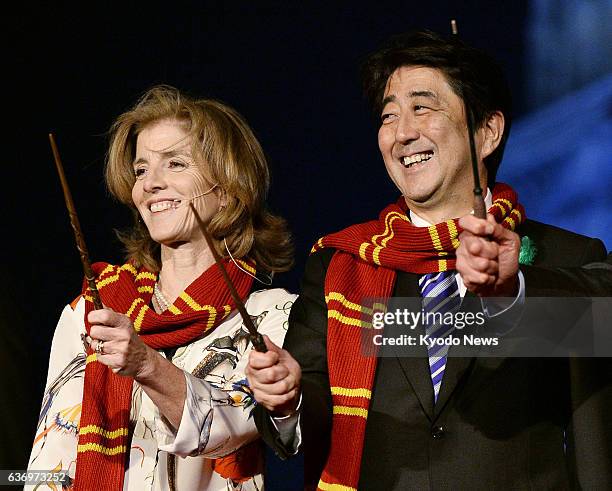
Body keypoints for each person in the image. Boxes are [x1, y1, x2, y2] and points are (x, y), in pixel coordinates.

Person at [246, 31, 612, 489]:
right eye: (388, 115)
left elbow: (601, 327)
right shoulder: (344, 265)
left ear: (487, 131)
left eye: (423, 108)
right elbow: (312, 398)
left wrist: (510, 294)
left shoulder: (569, 256)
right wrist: (287, 400)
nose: (402, 133)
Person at [27, 85, 296, 490]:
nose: (149, 183)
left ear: (225, 190)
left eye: (175, 163)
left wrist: (146, 365)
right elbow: (48, 455)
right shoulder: (90, 309)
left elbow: (231, 429)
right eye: (140, 169)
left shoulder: (275, 316)